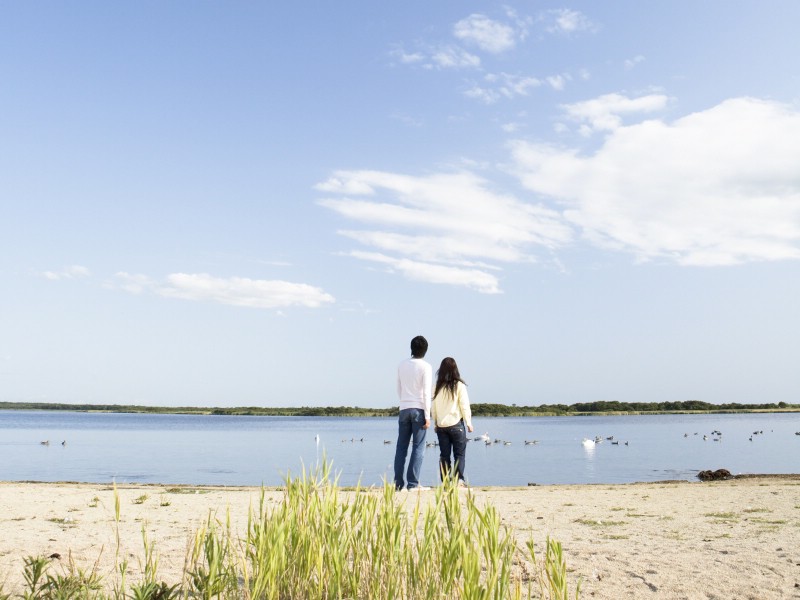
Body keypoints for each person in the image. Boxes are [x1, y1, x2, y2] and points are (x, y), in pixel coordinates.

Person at [393, 335, 432, 491]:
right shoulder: (426, 367)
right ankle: (413, 484)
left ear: (411, 348)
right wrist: (428, 416)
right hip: (419, 409)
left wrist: (403, 402)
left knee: (401, 447)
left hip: (404, 408)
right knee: (418, 447)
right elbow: (426, 393)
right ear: (425, 350)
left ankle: (398, 484)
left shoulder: (401, 365)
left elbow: (398, 387)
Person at [431, 357, 473, 485]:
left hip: (441, 426)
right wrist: (469, 423)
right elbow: (464, 405)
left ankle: (445, 482)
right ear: (455, 370)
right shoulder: (459, 385)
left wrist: (436, 423)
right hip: (456, 425)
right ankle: (458, 480)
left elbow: (434, 407)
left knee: (444, 455)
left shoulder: (436, 387)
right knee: (459, 455)